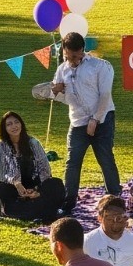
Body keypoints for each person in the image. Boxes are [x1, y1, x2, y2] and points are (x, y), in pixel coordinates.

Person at [51, 32, 121, 213]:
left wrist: (95, 120)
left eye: (76, 56)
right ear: (64, 51)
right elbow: (56, 94)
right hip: (77, 122)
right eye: (68, 56)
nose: (72, 59)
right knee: (72, 162)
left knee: (105, 158)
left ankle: (114, 200)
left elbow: (105, 96)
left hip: (102, 119)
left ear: (82, 50)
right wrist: (55, 90)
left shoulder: (100, 66)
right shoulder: (62, 69)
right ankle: (68, 202)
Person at [0, 111, 64, 220]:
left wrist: (37, 190)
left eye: (16, 122)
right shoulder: (0, 147)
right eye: (9, 124)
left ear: (21, 124)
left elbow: (45, 169)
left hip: (35, 185)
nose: (14, 126)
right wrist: (16, 183)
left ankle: (25, 209)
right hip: (13, 188)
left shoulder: (33, 143)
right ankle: (39, 210)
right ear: (4, 129)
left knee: (56, 183)